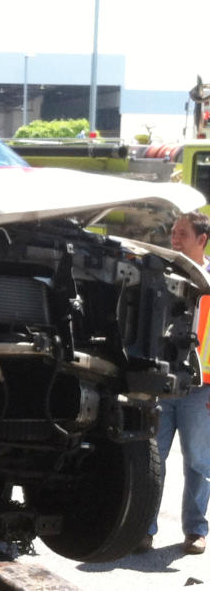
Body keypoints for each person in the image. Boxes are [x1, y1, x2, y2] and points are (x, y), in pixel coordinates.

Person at [136, 210, 210, 555]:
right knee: (153, 460)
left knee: (198, 461)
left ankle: (195, 530)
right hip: (162, 383)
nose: (174, 239)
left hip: (202, 388)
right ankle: (143, 530)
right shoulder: (160, 274)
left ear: (202, 239)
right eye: (174, 233)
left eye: (182, 233)